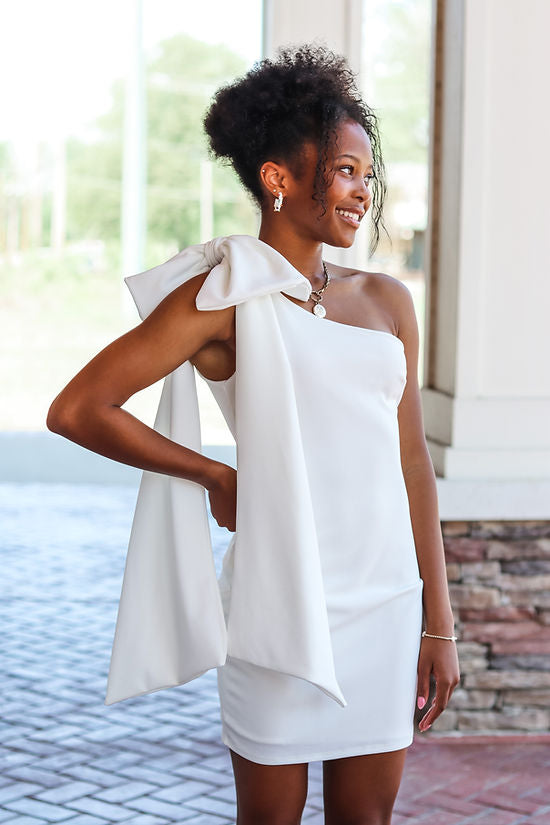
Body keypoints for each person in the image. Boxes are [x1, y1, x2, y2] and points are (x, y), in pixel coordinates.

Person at [47, 43, 460, 825]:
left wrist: (437, 621)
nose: (361, 193)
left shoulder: (386, 302)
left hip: (384, 604)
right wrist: (216, 475)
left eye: (367, 176)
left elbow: (413, 465)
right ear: (277, 177)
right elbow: (79, 407)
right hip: (278, 610)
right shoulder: (228, 295)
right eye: (343, 170)